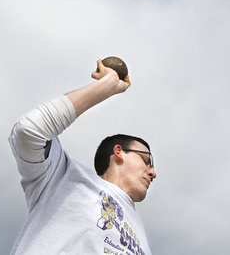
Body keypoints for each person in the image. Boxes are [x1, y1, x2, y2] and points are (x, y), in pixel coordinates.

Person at [8, 58, 157, 254]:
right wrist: (107, 85)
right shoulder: (63, 178)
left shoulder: (142, 241)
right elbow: (28, 131)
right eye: (146, 161)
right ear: (119, 152)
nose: (153, 172)